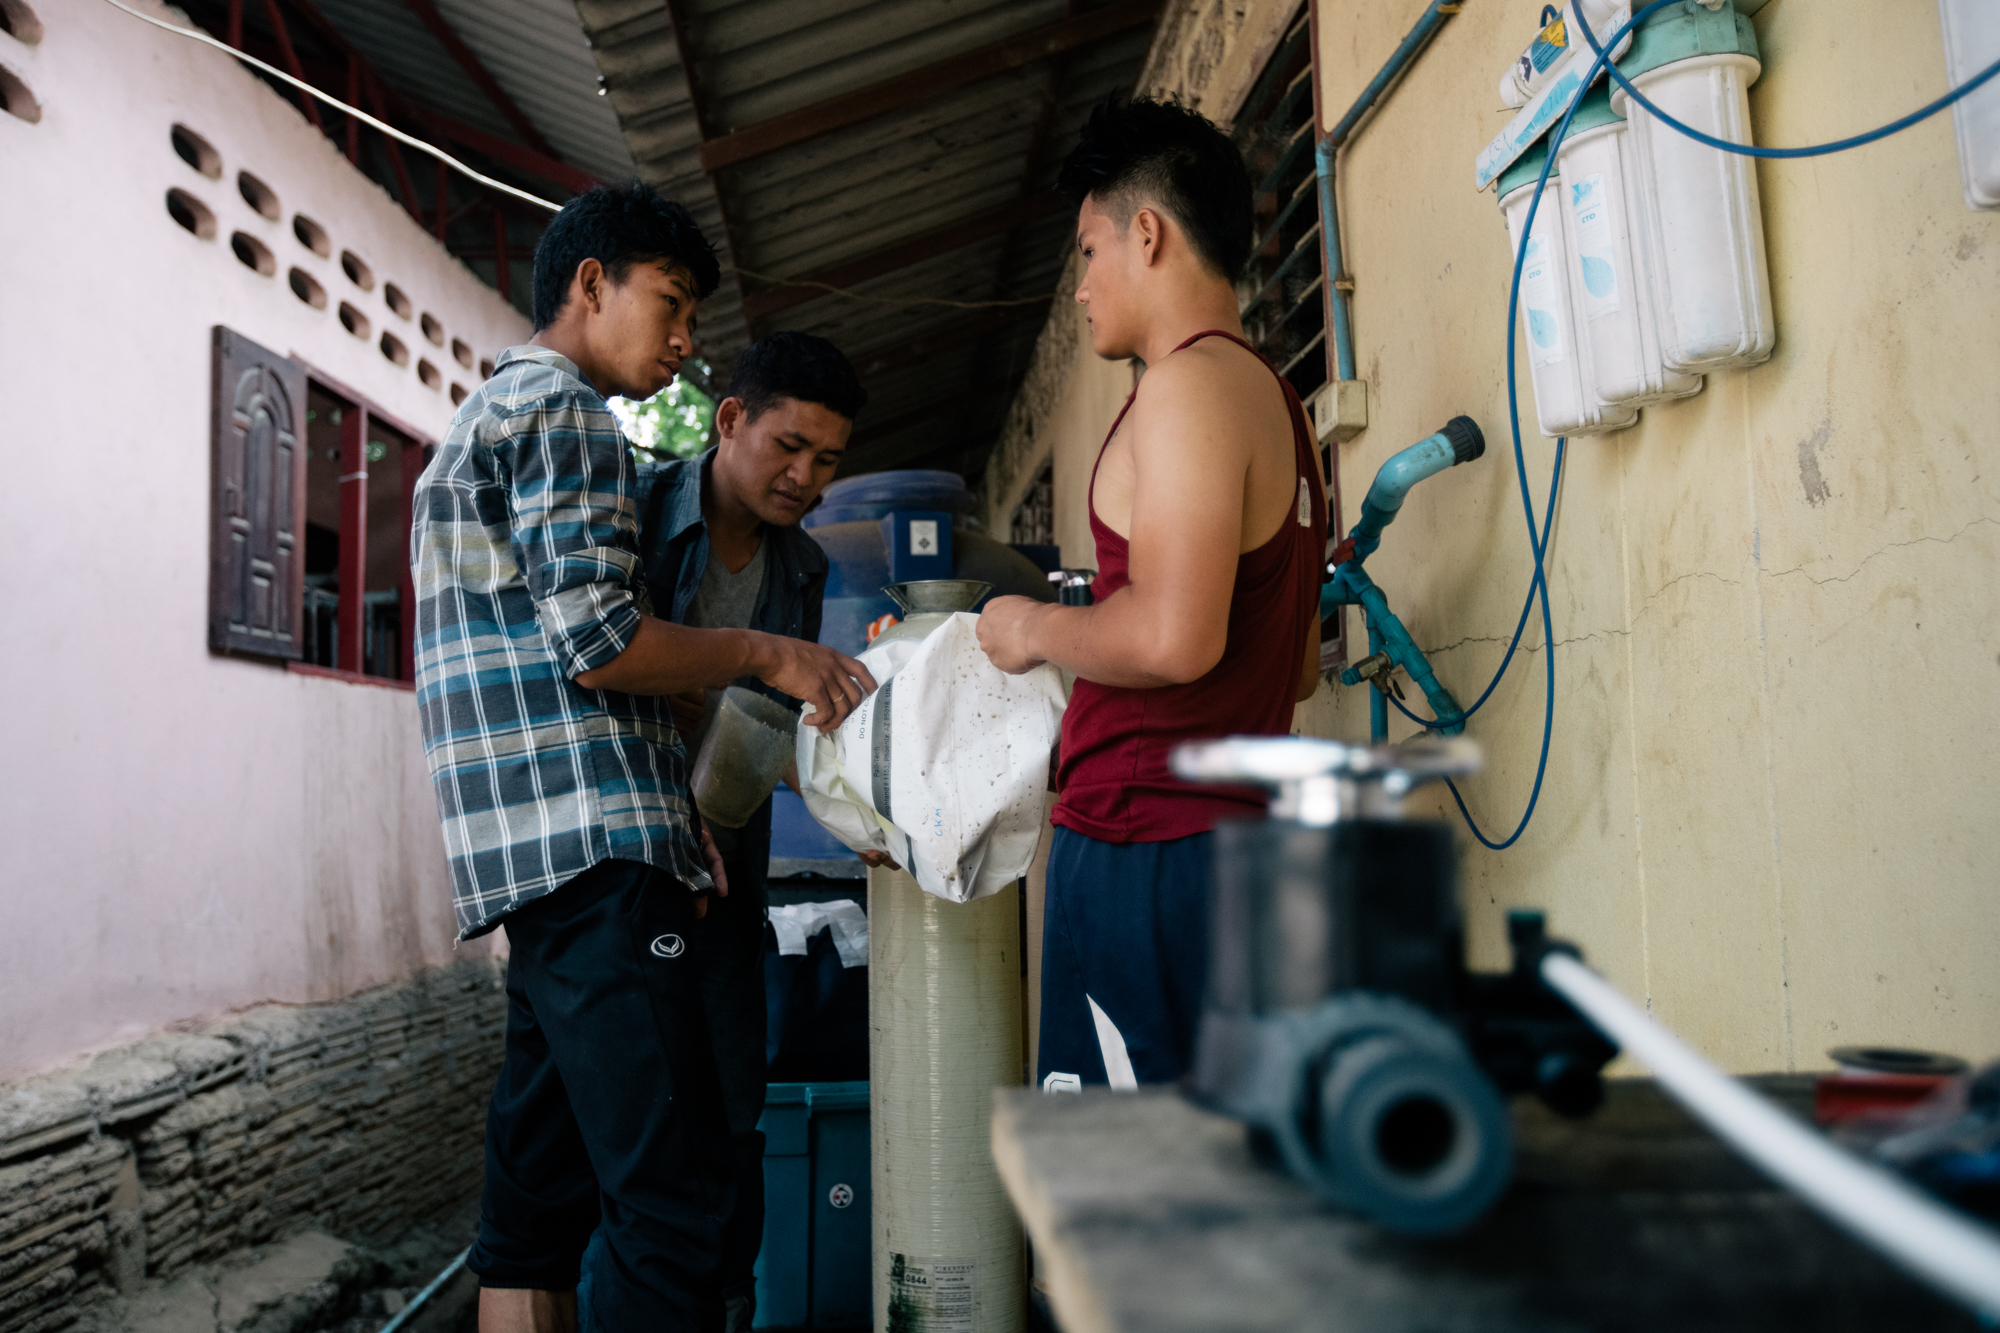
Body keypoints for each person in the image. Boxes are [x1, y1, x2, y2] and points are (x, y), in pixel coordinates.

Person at [409, 181, 875, 1333]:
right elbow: (603, 641)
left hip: (535, 861)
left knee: (535, 1198)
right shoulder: (568, 417)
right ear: (589, 284)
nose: (680, 344)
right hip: (606, 850)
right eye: (668, 306)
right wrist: (768, 653)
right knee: (674, 1207)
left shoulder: (486, 414)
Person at [976, 99, 1327, 1092]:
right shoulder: (1277, 403)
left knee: (1122, 1205)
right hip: (1229, 853)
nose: (1080, 288)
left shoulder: (1185, 390)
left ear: (1147, 232)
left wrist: (1029, 628)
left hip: (1149, 851)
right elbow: (1291, 663)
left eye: (1087, 251)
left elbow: (1174, 639)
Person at [627, 331, 871, 1329]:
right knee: (635, 1132)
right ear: (729, 420)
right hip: (625, 867)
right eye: (787, 446)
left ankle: (725, 1307)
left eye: (826, 461)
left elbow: (772, 725)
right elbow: (602, 668)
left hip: (728, 877)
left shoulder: (800, 566)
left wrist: (861, 810)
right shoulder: (633, 513)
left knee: (734, 1116)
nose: (804, 477)